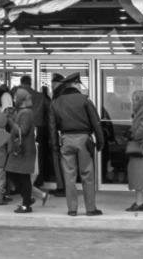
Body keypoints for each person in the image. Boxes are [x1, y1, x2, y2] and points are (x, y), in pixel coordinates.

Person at [48, 71, 104, 216]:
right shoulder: (85, 100)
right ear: (75, 84)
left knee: (69, 176)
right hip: (84, 140)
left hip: (66, 140)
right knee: (87, 174)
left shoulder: (55, 102)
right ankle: (90, 209)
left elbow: (52, 127)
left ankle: (72, 209)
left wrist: (55, 146)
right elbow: (96, 122)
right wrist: (101, 141)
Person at [7, 88, 47, 213]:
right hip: (23, 150)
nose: (14, 100)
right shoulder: (25, 112)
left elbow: (22, 131)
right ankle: (27, 199)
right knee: (17, 175)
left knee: (21, 177)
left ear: (20, 100)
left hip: (23, 151)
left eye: (15, 98)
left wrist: (10, 121)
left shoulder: (26, 113)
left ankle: (26, 204)